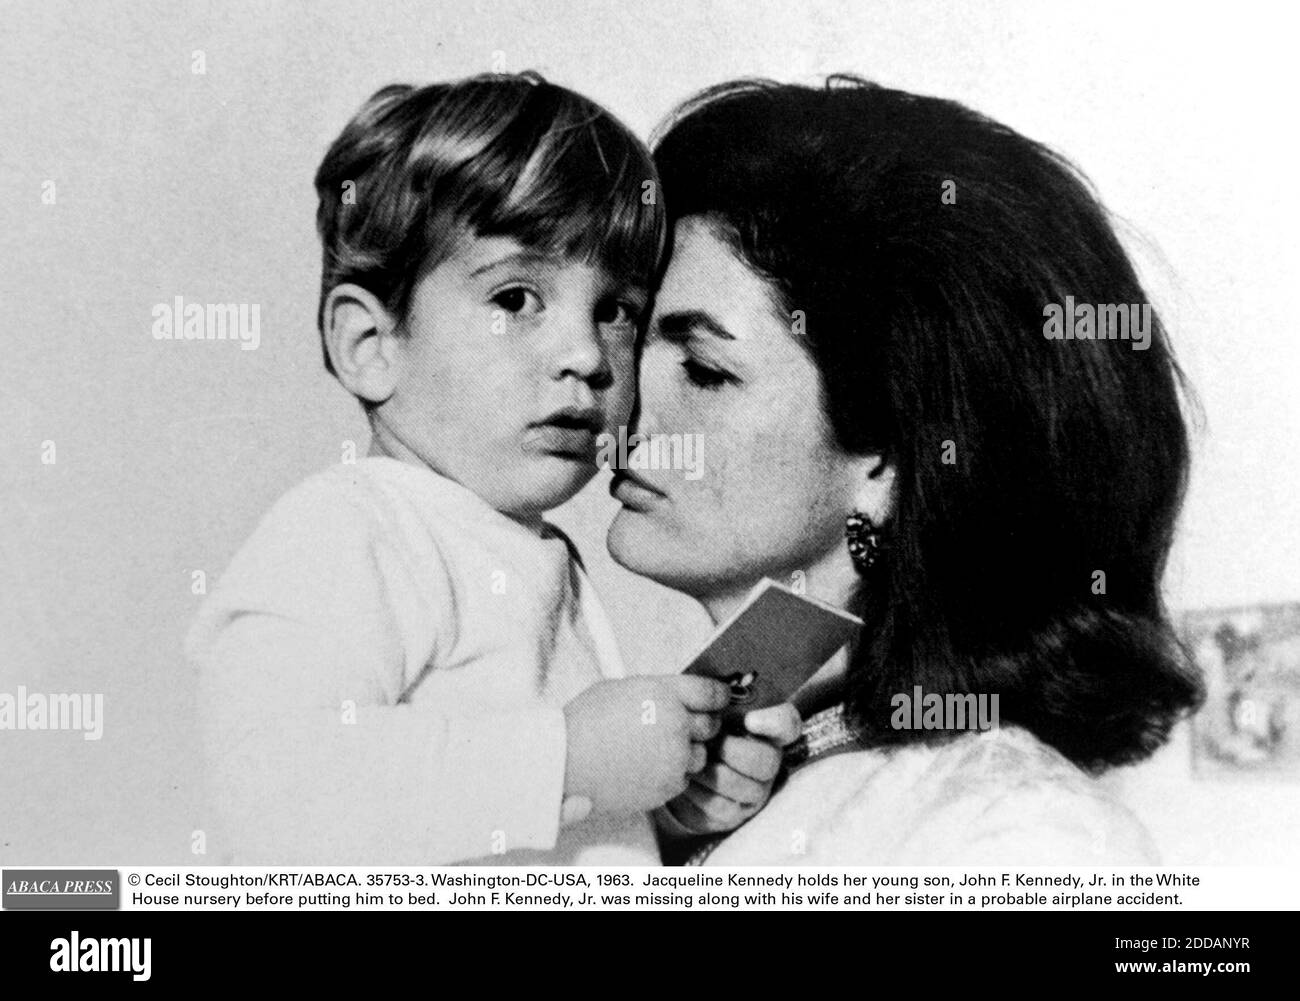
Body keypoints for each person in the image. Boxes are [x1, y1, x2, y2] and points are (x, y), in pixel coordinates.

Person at [185, 74, 795, 866]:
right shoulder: (347, 529)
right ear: (370, 346)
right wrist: (566, 759)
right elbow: (275, 799)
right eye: (516, 297)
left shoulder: (526, 553)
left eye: (615, 310)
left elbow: (535, 838)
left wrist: (665, 799)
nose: (585, 355)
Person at [606, 77, 1204, 865]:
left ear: (887, 462)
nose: (623, 404)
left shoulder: (1018, 834)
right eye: (634, 336)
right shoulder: (691, 792)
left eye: (706, 369)